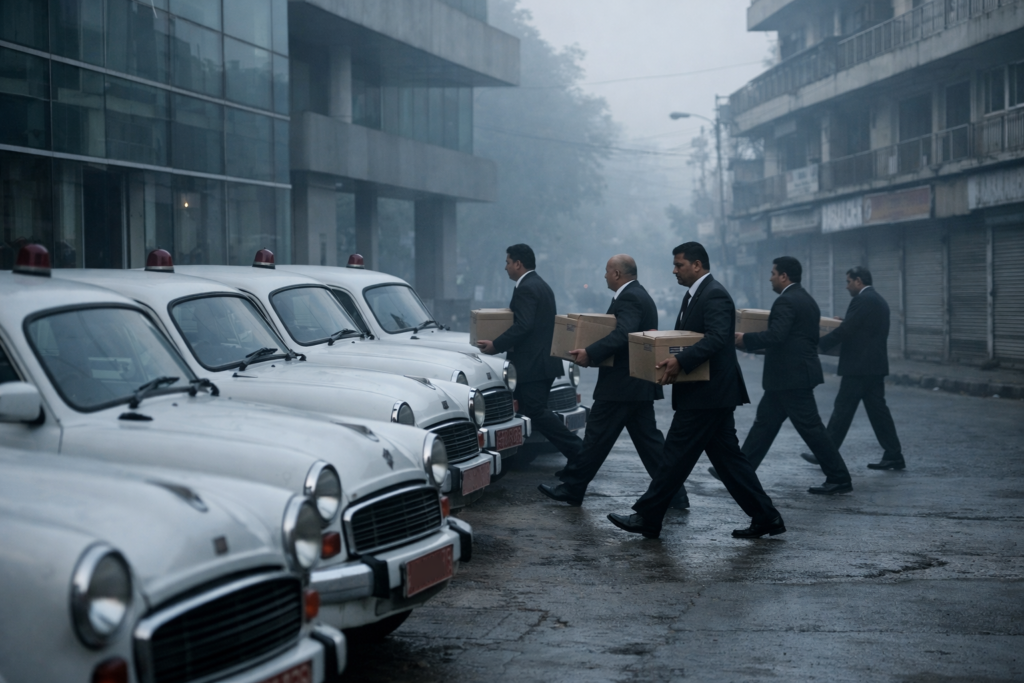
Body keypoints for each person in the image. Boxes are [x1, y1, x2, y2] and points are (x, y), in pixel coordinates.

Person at [608, 242, 784, 540]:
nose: (674, 271)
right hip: (709, 394)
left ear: (697, 265)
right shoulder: (696, 295)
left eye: (679, 265)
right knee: (730, 463)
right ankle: (767, 517)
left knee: (674, 456)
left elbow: (717, 338)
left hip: (708, 393)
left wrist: (680, 359)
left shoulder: (714, 294)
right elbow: (693, 337)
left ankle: (648, 517)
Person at [538, 254, 690, 508]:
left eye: (607, 271)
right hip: (634, 385)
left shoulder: (630, 297)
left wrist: (591, 353)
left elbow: (623, 334)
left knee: (596, 438)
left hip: (622, 385)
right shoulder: (639, 295)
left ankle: (573, 488)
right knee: (650, 446)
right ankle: (675, 494)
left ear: (618, 274)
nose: (605, 276)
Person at [731, 256, 853, 495]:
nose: (770, 277)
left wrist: (745, 339)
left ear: (784, 276)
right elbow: (795, 339)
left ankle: (839, 477)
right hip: (790, 376)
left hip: (791, 377)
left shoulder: (786, 302)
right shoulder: (807, 299)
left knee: (812, 429)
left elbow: (776, 335)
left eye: (773, 273)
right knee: (764, 424)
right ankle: (739, 471)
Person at [477, 244, 583, 461]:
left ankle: (580, 453)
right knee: (525, 412)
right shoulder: (541, 285)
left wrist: (496, 345)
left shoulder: (526, 287)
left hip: (533, 365)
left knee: (535, 411)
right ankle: (519, 458)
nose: (505, 267)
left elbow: (524, 325)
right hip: (540, 363)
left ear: (518, 263)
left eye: (508, 262)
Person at [801, 266, 905, 470]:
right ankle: (893, 455)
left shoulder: (863, 300)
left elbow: (848, 330)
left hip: (859, 367)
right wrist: (845, 322)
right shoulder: (878, 300)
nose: (847, 286)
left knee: (842, 410)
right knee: (878, 413)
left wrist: (819, 343)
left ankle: (824, 454)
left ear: (859, 281)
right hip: (873, 366)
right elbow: (862, 327)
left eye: (849, 281)